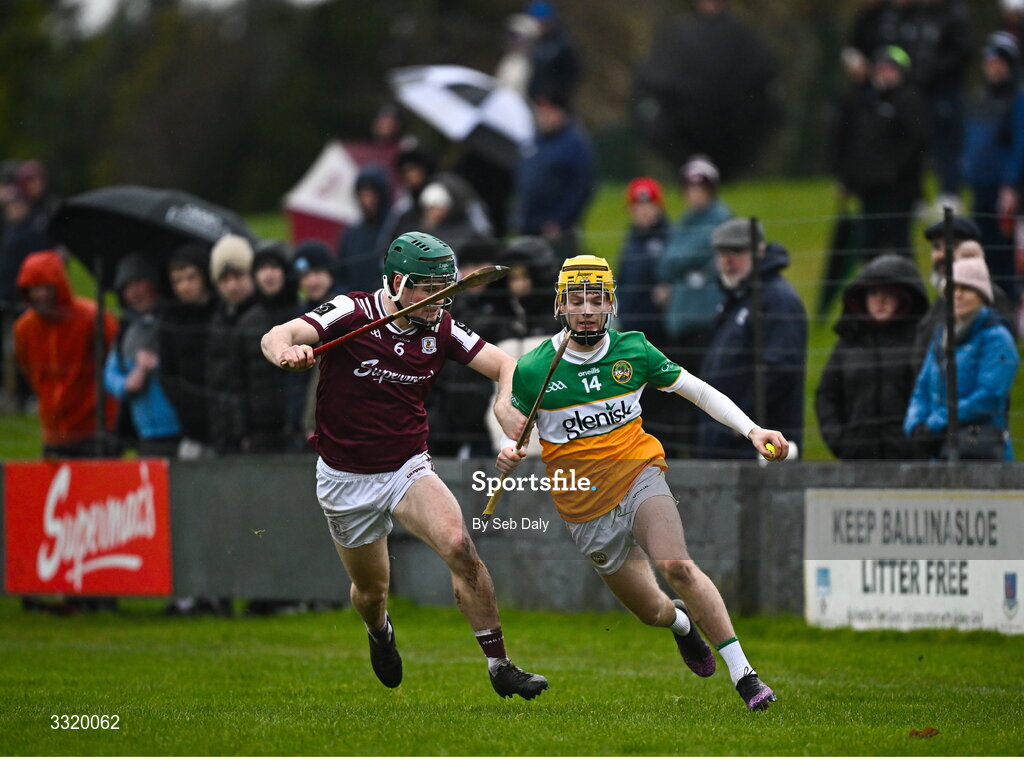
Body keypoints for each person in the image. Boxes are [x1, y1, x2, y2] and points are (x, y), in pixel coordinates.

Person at [261, 231, 548, 700]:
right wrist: (286, 353)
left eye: (446, 288)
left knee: (458, 545)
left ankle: (500, 665)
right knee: (372, 593)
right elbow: (279, 334)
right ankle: (380, 631)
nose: (439, 301)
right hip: (344, 477)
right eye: (428, 289)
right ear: (397, 282)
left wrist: (504, 405)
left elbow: (504, 364)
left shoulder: (441, 327)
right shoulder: (352, 312)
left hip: (405, 467)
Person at [494, 254, 784, 711]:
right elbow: (509, 412)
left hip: (638, 474)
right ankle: (682, 626)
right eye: (576, 300)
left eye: (595, 299)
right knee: (654, 612)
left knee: (677, 566)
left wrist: (752, 430)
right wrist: (513, 443)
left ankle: (745, 676)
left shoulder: (635, 350)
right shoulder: (536, 368)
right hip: (583, 507)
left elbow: (698, 390)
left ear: (610, 303)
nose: (586, 309)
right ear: (560, 305)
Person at [696, 218, 807, 459]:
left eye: (736, 251)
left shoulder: (777, 300)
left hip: (756, 444)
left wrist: (742, 422)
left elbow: (780, 369)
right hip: (728, 438)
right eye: (721, 252)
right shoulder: (737, 298)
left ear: (759, 252)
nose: (728, 260)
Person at [814, 254, 929, 460]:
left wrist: (919, 443)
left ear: (904, 298)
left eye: (888, 293)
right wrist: (841, 441)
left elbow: (934, 394)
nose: (880, 300)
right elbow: (826, 395)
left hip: (910, 459)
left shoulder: (920, 343)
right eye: (873, 292)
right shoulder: (848, 343)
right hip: (857, 458)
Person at [656, 156, 734, 457]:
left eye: (700, 186)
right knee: (681, 395)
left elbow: (679, 257)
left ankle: (705, 452)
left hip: (705, 325)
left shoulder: (720, 220)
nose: (694, 192)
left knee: (706, 392)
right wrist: (687, 270)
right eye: (689, 186)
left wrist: (679, 268)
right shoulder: (685, 222)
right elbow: (666, 265)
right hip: (682, 325)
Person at [904, 256, 1019, 460]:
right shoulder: (941, 337)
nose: (957, 295)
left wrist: (935, 423)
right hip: (940, 450)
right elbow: (921, 389)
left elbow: (989, 396)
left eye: (966, 289)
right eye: (952, 289)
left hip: (981, 454)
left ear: (982, 295)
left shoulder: (997, 339)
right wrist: (915, 424)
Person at [14, 250, 118, 457]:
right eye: (33, 288)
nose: (40, 294)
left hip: (94, 427)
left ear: (58, 285)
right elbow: (29, 369)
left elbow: (114, 362)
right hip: (53, 430)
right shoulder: (24, 328)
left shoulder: (92, 318)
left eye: (46, 287)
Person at [831, 45, 927, 258]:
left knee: (898, 246)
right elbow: (853, 142)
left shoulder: (909, 100)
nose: (885, 73)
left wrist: (893, 173)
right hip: (869, 188)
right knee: (869, 248)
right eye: (881, 68)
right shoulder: (867, 100)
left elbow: (915, 144)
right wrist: (848, 179)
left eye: (891, 68)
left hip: (898, 190)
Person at [962, 31, 1024, 306]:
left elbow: (1019, 146)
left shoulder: (1017, 99)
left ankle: (1009, 312)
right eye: (990, 60)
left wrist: (1011, 186)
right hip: (980, 188)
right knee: (983, 254)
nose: (993, 66)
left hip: (1005, 194)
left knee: (1006, 257)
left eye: (1000, 60)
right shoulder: (980, 98)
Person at [104, 252, 182, 457]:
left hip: (179, 428)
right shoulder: (125, 332)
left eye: (139, 283)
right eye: (127, 287)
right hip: (144, 433)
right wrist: (126, 383)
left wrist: (157, 365)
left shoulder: (173, 323)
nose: (135, 292)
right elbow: (109, 374)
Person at [515, 89, 594, 256]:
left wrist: (561, 220)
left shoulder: (574, 143)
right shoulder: (535, 139)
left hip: (555, 229)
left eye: (549, 111)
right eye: (541, 111)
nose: (544, 116)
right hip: (529, 224)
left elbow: (581, 186)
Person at [160, 243, 218, 460]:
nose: (184, 286)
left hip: (224, 423)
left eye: (190, 277)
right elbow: (167, 372)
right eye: (177, 280)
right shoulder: (170, 320)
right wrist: (186, 406)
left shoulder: (220, 314)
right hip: (190, 425)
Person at [205, 234, 258, 455]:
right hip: (225, 433)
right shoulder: (216, 321)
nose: (232, 285)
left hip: (256, 434)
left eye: (238, 275)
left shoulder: (263, 318)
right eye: (224, 279)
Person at [616, 177, 669, 343]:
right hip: (630, 327)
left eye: (649, 204)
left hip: (660, 329)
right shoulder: (630, 240)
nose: (644, 211)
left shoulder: (670, 237)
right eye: (637, 206)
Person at [336, 167, 391, 294]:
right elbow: (341, 274)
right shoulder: (350, 235)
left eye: (372, 195)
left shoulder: (393, 229)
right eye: (362, 195)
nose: (367, 201)